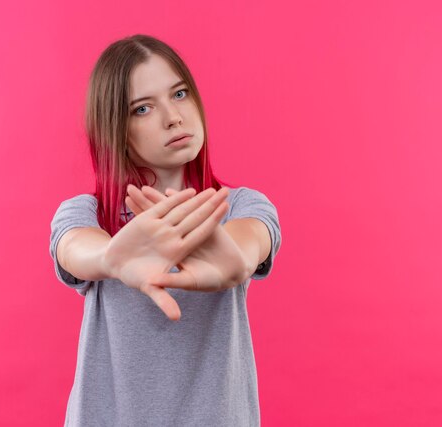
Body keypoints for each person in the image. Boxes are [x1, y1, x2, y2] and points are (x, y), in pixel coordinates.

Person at [49, 34, 282, 426]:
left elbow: (250, 241)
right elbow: (74, 248)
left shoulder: (241, 206)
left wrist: (236, 261)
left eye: (179, 94)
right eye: (142, 108)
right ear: (116, 128)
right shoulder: (87, 214)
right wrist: (111, 259)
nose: (173, 117)